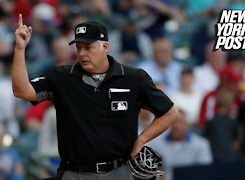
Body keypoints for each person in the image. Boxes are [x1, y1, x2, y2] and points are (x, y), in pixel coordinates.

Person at [12, 15, 178, 180]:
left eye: (88, 47)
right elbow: (21, 91)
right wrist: (20, 49)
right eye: (78, 47)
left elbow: (170, 113)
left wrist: (142, 139)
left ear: (105, 47)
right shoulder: (61, 77)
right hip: (75, 173)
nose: (82, 53)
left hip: (120, 172)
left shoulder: (134, 78)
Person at [147, 110, 212, 180]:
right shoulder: (156, 145)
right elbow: (152, 172)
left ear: (187, 125)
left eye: (180, 122)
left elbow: (204, 172)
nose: (176, 126)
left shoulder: (201, 145)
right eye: (173, 122)